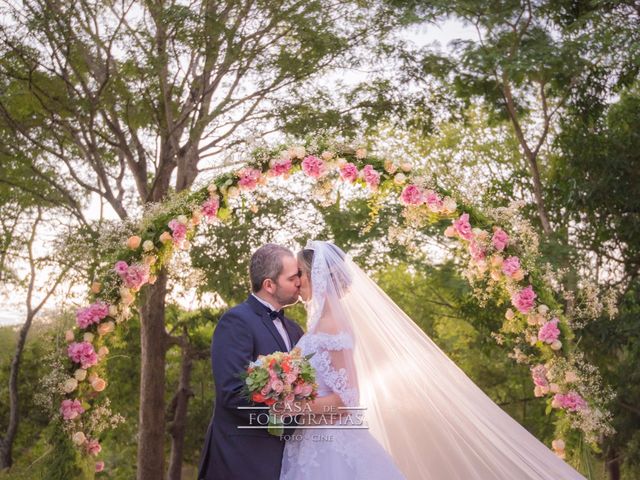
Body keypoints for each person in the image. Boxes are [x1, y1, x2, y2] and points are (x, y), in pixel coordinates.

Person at [280, 240, 586, 480]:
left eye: (301, 276)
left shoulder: (332, 326)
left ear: (316, 275)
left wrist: (294, 407)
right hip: (313, 440)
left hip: (332, 448)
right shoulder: (320, 323)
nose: (298, 283)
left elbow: (347, 400)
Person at [198, 244, 305, 480]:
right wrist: (290, 419)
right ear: (269, 284)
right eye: (292, 277)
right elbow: (233, 393)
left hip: (286, 459)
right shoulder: (237, 321)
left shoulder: (296, 330)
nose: (299, 281)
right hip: (241, 459)